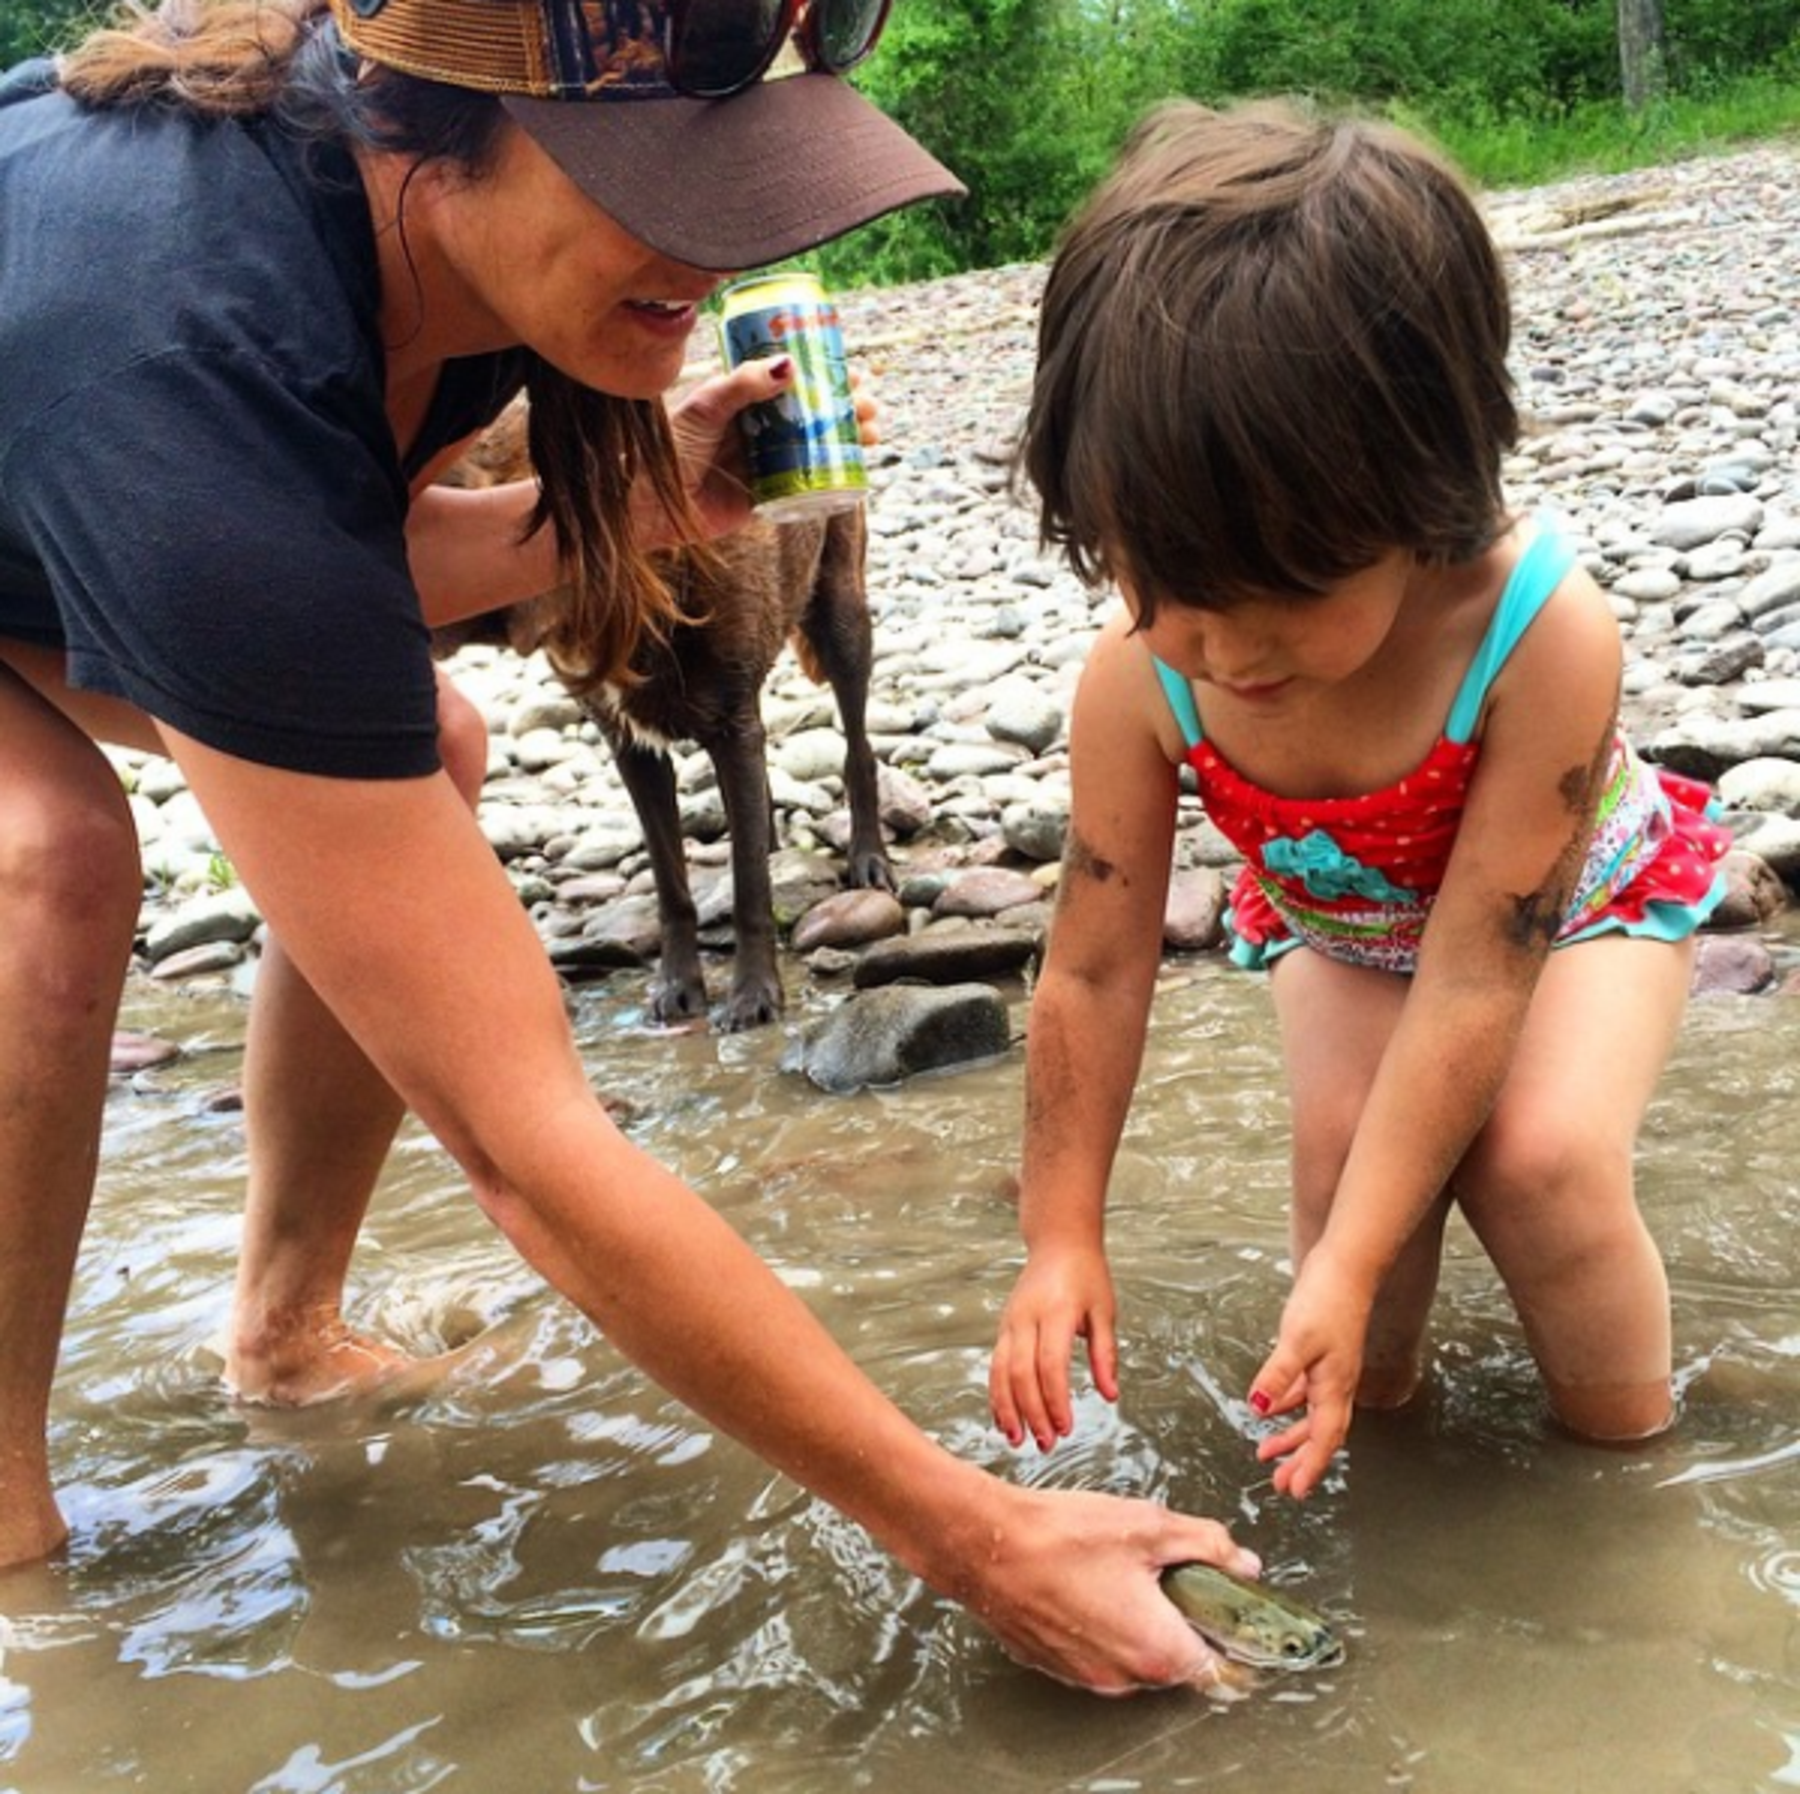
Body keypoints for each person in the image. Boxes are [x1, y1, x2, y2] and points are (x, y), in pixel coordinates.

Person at [0, 0, 1260, 1692]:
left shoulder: (413, 238)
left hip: (56, 464)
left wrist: (647, 496)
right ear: (433, 121)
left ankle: (284, 1340)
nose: (717, 248)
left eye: (742, 181)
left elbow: (339, 554)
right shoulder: (191, 345)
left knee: (431, 740)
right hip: (92, 410)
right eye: (659, 186)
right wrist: (972, 1533)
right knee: (49, 854)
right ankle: (12, 1546)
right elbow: (524, 1145)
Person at [988, 98, 1730, 1502]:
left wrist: (1348, 1261)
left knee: (1540, 1164)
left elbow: (1477, 977)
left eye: (1289, 594)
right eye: (1171, 587)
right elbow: (1090, 970)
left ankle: (1629, 1471)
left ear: (1426, 493)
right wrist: (1060, 1234)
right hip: (1346, 917)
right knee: (1343, 1177)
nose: (1227, 651)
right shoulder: (1140, 677)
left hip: (1569, 911)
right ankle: (1369, 1443)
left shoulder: (1537, 632)